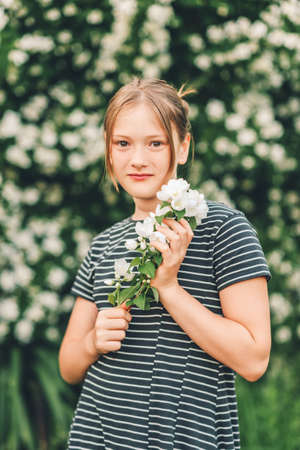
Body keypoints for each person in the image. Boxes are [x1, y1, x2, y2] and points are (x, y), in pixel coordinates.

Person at [59, 78, 271, 450]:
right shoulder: (102, 245)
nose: (137, 159)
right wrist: (93, 341)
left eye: (155, 143)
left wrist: (169, 288)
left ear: (183, 147)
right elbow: (69, 365)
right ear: (109, 152)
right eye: (122, 143)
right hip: (99, 438)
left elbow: (254, 359)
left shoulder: (223, 230)